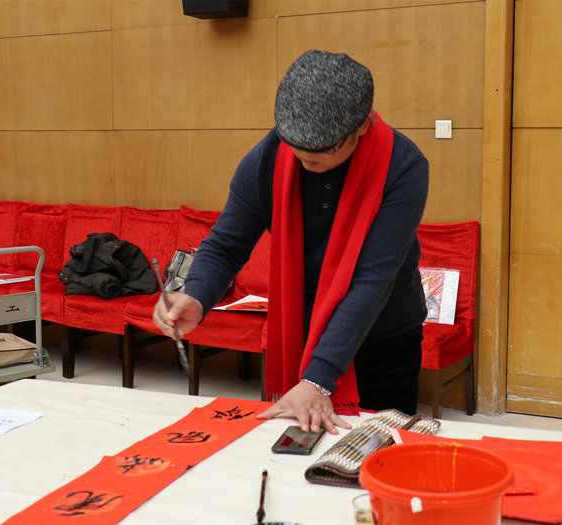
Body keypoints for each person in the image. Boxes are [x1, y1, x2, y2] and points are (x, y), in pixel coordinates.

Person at [153, 50, 429, 435]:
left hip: (383, 335)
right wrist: (196, 295)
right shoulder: (267, 159)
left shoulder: (403, 167)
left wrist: (318, 379)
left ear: (362, 125)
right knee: (296, 454)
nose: (304, 157)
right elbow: (227, 243)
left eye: (324, 148)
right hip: (302, 331)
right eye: (296, 144)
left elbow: (372, 280)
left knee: (379, 448)